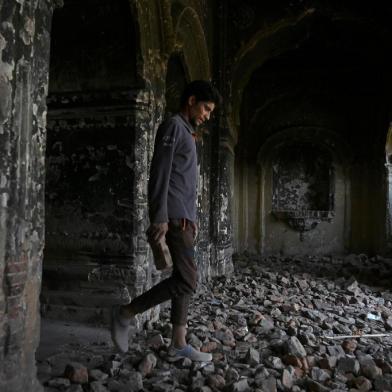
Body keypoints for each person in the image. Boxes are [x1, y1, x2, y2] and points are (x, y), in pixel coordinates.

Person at [111, 80, 221, 362]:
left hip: (185, 219)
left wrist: (192, 219)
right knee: (189, 281)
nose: (207, 115)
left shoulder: (187, 132)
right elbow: (159, 173)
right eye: (206, 109)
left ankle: (178, 343)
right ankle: (126, 312)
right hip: (173, 218)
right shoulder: (173, 126)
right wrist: (159, 216)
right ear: (192, 100)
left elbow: (183, 181)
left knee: (181, 278)